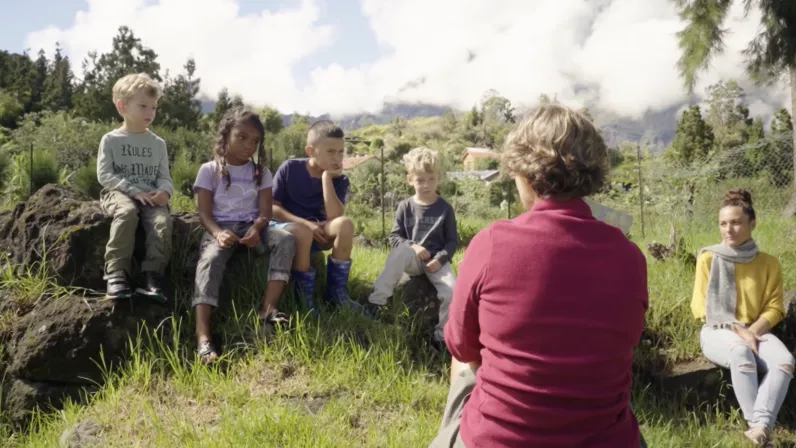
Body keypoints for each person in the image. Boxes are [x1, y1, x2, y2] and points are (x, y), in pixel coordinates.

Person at [430, 104, 649, 448]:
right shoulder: (630, 257)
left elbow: (461, 344)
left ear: (524, 172)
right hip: (608, 439)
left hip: (498, 440)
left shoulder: (491, 243)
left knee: (462, 359)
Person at [192, 108, 296, 364]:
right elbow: (203, 214)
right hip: (221, 229)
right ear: (225, 135)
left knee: (285, 239)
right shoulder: (209, 170)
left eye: (255, 141)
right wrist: (218, 233)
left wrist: (257, 228)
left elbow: (265, 212)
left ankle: (268, 309)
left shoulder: (261, 173)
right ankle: (203, 335)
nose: (249, 145)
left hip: (252, 228)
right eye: (241, 137)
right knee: (210, 259)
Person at [691, 188, 793, 447]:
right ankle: (758, 427)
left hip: (757, 329)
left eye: (736, 222)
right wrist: (741, 332)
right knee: (740, 352)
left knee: (784, 361)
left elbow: (775, 307)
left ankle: (759, 428)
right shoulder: (708, 258)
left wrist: (752, 332)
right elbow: (701, 308)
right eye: (723, 223)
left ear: (752, 223)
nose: (729, 229)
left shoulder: (768, 263)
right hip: (717, 330)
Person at [365, 146, 457, 346]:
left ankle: (441, 337)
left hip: (436, 263)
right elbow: (394, 237)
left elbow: (452, 241)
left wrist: (440, 259)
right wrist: (414, 246)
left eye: (431, 179)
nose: (426, 185)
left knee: (452, 292)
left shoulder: (445, 208)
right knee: (400, 252)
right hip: (413, 259)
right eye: (420, 180)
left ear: (438, 178)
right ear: (410, 180)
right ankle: (376, 302)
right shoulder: (405, 206)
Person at [269, 120, 361, 315]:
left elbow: (334, 216)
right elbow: (273, 207)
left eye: (341, 152)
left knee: (344, 224)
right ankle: (303, 299)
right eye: (330, 152)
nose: (337, 158)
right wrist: (306, 224)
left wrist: (327, 178)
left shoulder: (339, 178)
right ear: (310, 151)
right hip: (290, 227)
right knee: (303, 232)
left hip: (319, 232)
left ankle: (336, 294)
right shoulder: (290, 168)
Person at [97, 72, 173, 302]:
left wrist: (165, 192)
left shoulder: (158, 144)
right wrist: (132, 190)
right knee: (127, 213)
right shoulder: (111, 140)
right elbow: (104, 174)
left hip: (149, 196)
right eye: (143, 106)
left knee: (161, 222)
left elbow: (164, 177)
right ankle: (116, 273)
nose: (150, 112)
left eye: (154, 107)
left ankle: (152, 276)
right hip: (119, 193)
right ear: (122, 106)